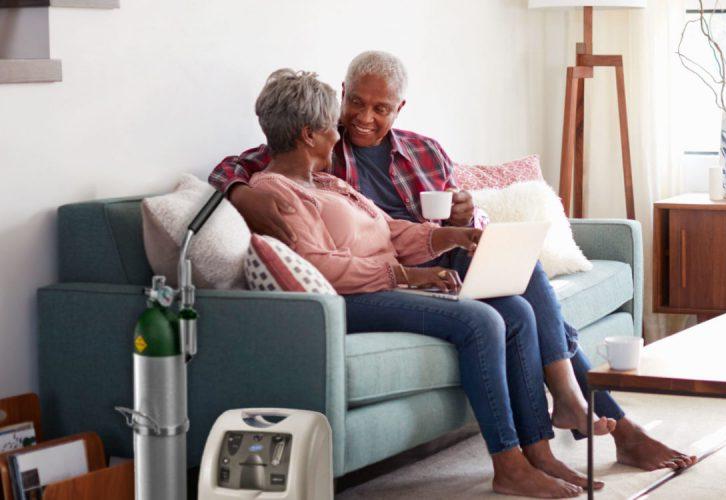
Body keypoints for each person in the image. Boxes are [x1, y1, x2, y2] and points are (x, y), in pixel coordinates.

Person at [210, 51, 695, 479]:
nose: (362, 118)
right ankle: (597, 421)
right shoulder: (320, 157)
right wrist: (239, 191)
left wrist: (466, 220)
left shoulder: (422, 150)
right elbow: (246, 164)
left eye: (380, 108)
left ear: (399, 109)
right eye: (355, 103)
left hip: (437, 250)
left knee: (519, 271)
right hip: (390, 269)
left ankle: (569, 411)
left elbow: (437, 217)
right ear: (340, 100)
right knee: (512, 308)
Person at [245, 68, 610, 497]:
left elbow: (392, 231)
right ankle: (507, 463)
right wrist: (403, 274)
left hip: (384, 285)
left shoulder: (326, 183)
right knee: (481, 321)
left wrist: (451, 235)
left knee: (514, 310)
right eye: (331, 126)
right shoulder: (276, 193)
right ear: (309, 134)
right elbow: (319, 264)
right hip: (352, 299)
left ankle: (539, 450)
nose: (337, 134)